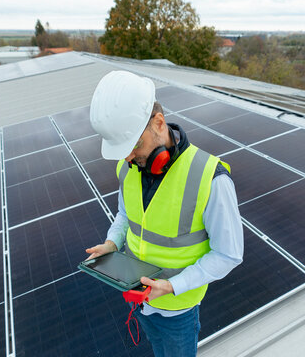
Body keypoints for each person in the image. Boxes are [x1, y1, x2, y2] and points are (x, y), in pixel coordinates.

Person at [85, 70, 243, 357]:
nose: (129, 158)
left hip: (177, 311)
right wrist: (112, 243)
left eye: (133, 145)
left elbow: (228, 254)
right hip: (138, 301)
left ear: (159, 123)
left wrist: (172, 286)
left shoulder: (210, 177)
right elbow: (125, 217)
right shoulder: (127, 168)